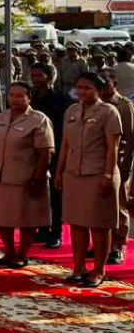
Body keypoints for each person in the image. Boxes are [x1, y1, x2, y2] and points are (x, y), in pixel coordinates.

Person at [55, 72, 121, 287]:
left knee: (99, 224)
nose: (83, 92)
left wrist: (108, 175)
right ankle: (78, 267)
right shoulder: (72, 111)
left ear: (99, 90)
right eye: (80, 88)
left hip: (98, 173)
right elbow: (65, 144)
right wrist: (59, 171)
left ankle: (99, 270)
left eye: (88, 88)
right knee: (76, 223)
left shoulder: (109, 112)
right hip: (74, 173)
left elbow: (113, 147)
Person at [0, 82, 54, 268]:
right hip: (0, 176)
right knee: (1, 217)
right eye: (11, 95)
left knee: (27, 219)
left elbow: (45, 153)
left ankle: (22, 253)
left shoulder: (39, 120)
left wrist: (37, 179)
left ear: (29, 97)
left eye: (20, 96)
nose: (14, 99)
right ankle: (9, 252)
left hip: (26, 178)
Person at [29, 63, 69, 249]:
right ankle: (42, 229)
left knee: (55, 194)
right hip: (32, 150)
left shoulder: (60, 99)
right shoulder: (31, 97)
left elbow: (62, 129)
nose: (35, 79)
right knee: (37, 192)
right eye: (34, 75)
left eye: (39, 75)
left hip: (54, 149)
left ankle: (56, 232)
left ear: (49, 77)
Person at [100, 68, 133, 265]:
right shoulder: (94, 105)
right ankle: (102, 242)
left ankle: (118, 246)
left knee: (119, 205)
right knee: (99, 205)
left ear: (115, 84)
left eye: (106, 82)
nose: (102, 87)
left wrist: (127, 163)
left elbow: (130, 138)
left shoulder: (124, 105)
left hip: (119, 161)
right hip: (96, 160)